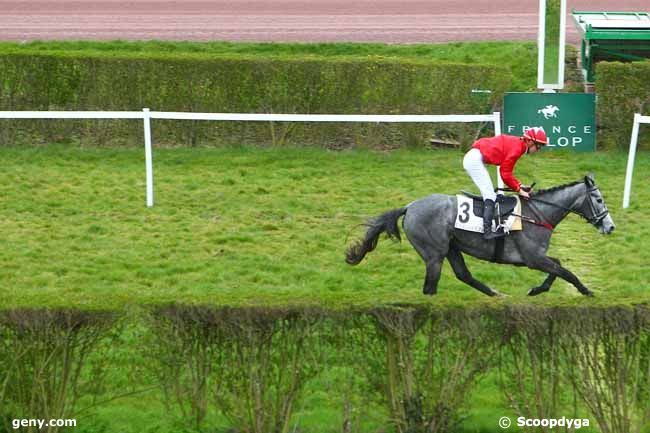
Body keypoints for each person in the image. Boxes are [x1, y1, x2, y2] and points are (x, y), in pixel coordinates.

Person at [462, 127, 548, 240]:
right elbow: (505, 174)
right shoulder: (518, 148)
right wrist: (520, 191)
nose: (538, 150)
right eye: (538, 146)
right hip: (474, 160)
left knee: (490, 193)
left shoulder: (519, 145)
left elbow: (507, 172)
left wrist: (520, 185)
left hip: (475, 158)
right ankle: (487, 232)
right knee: (490, 195)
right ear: (530, 142)